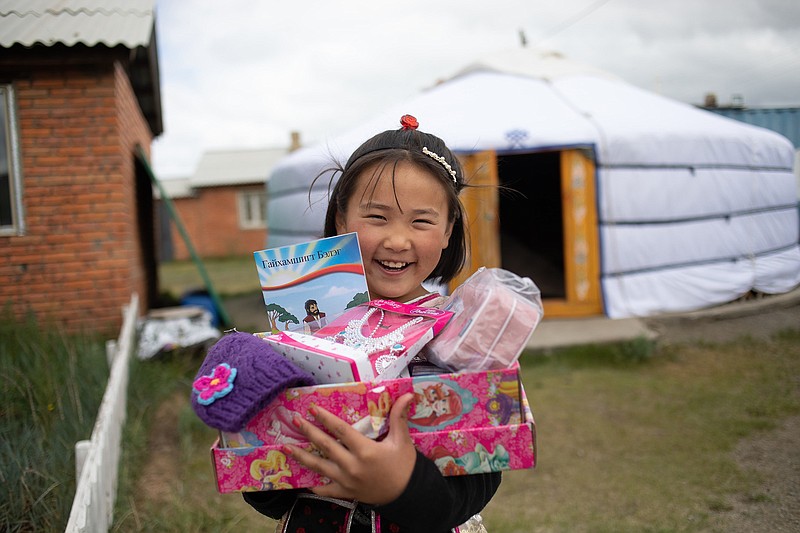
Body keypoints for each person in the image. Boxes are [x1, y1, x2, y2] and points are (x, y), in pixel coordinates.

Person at [243, 114, 500, 532]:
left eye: (421, 221)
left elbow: (480, 478)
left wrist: (399, 486)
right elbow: (264, 491)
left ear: (449, 229)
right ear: (341, 219)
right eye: (377, 217)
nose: (397, 240)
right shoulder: (301, 328)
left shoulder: (462, 334)